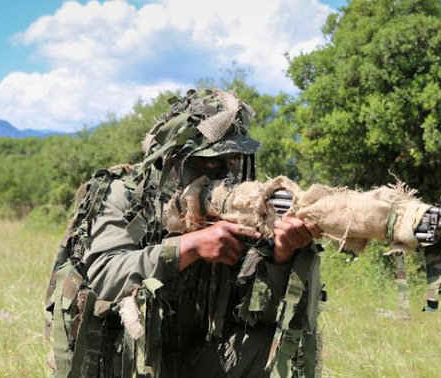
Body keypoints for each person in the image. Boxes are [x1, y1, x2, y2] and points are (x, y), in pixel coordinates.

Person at [46, 88, 324, 377]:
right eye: (212, 162)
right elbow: (106, 277)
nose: (223, 177)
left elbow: (257, 318)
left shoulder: (238, 209)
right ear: (174, 160)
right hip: (123, 361)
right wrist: (190, 246)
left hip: (189, 358)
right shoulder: (123, 195)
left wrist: (280, 257)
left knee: (275, 345)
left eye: (232, 161)